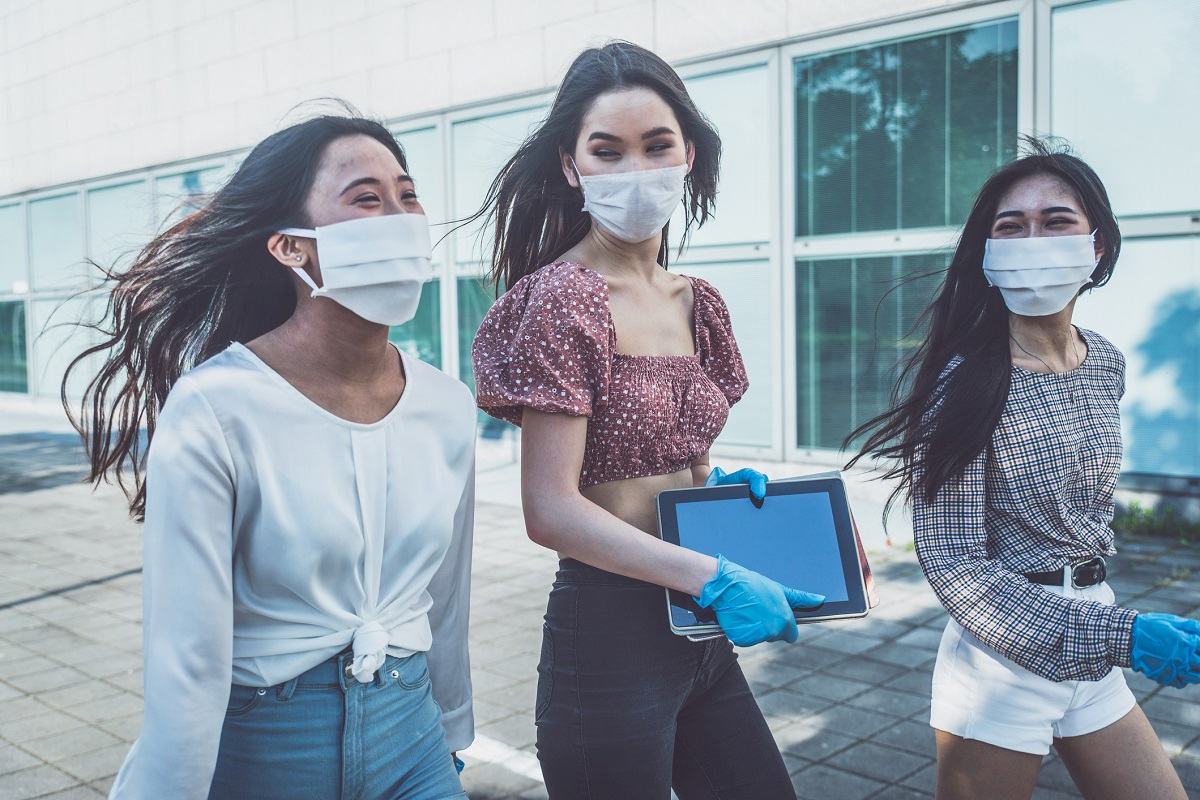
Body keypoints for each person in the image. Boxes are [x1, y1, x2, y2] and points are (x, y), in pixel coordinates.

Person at [65, 114, 475, 799]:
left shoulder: (448, 403)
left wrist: (454, 734)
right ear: (291, 248)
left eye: (408, 196)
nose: (401, 219)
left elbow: (447, 598)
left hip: (414, 740)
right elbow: (187, 660)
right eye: (367, 199)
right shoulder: (215, 409)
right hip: (267, 748)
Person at [470, 42, 821, 798]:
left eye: (656, 146)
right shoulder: (565, 298)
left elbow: (682, 467)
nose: (636, 170)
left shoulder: (697, 301)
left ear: (687, 153)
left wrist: (725, 500)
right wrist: (713, 574)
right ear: (571, 167)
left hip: (697, 621)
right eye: (608, 151)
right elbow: (550, 510)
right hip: (608, 632)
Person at [846, 138, 1200, 800]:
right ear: (988, 256)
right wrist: (1125, 635)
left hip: (1095, 629)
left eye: (1057, 220)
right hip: (999, 663)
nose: (1033, 239)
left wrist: (1110, 621)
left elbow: (1085, 513)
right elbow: (955, 567)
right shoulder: (963, 385)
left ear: (1098, 247)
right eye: (1010, 227)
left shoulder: (1105, 362)